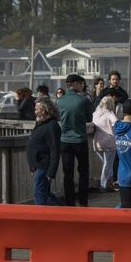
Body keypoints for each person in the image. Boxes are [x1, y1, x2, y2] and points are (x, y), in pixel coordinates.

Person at [56, 73, 95, 206]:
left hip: (65, 140)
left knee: (68, 173)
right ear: (74, 84)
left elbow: (58, 117)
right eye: (80, 83)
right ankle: (83, 202)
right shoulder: (84, 100)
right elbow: (89, 118)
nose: (82, 85)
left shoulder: (59, 101)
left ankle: (69, 202)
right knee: (83, 171)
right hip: (80, 140)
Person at [26, 96, 62, 205]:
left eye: (37, 109)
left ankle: (41, 217)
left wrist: (51, 172)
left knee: (39, 193)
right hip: (37, 165)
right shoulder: (40, 123)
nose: (35, 111)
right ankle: (65, 211)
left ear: (44, 110)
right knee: (45, 193)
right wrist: (32, 164)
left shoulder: (52, 126)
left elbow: (55, 150)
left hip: (44, 166)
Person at [92, 95, 118, 192]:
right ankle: (103, 185)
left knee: (106, 164)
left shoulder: (95, 113)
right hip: (109, 142)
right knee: (107, 164)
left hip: (97, 142)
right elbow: (116, 123)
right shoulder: (110, 114)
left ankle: (109, 183)